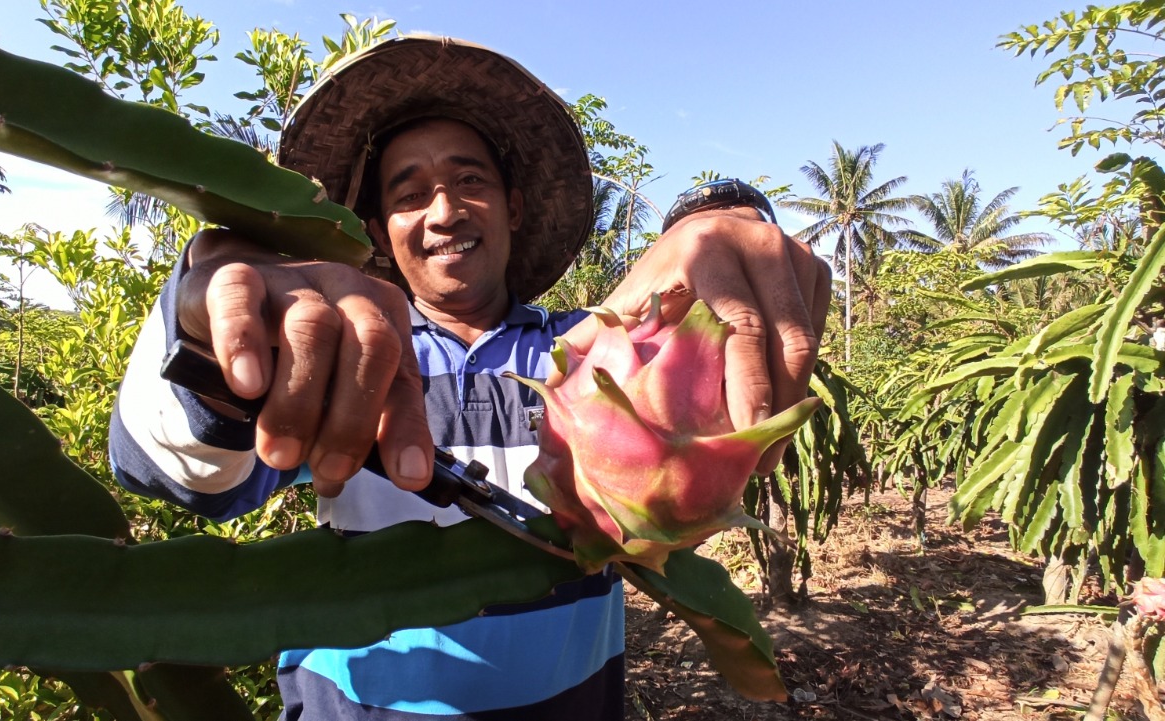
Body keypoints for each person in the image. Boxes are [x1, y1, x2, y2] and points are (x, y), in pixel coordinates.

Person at [110, 36, 829, 720]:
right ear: (380, 228)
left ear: (513, 209)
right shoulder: (348, 355)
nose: (444, 210)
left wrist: (724, 228)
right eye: (409, 193)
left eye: (468, 179)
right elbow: (178, 476)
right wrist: (206, 320)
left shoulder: (590, 353)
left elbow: (697, 361)